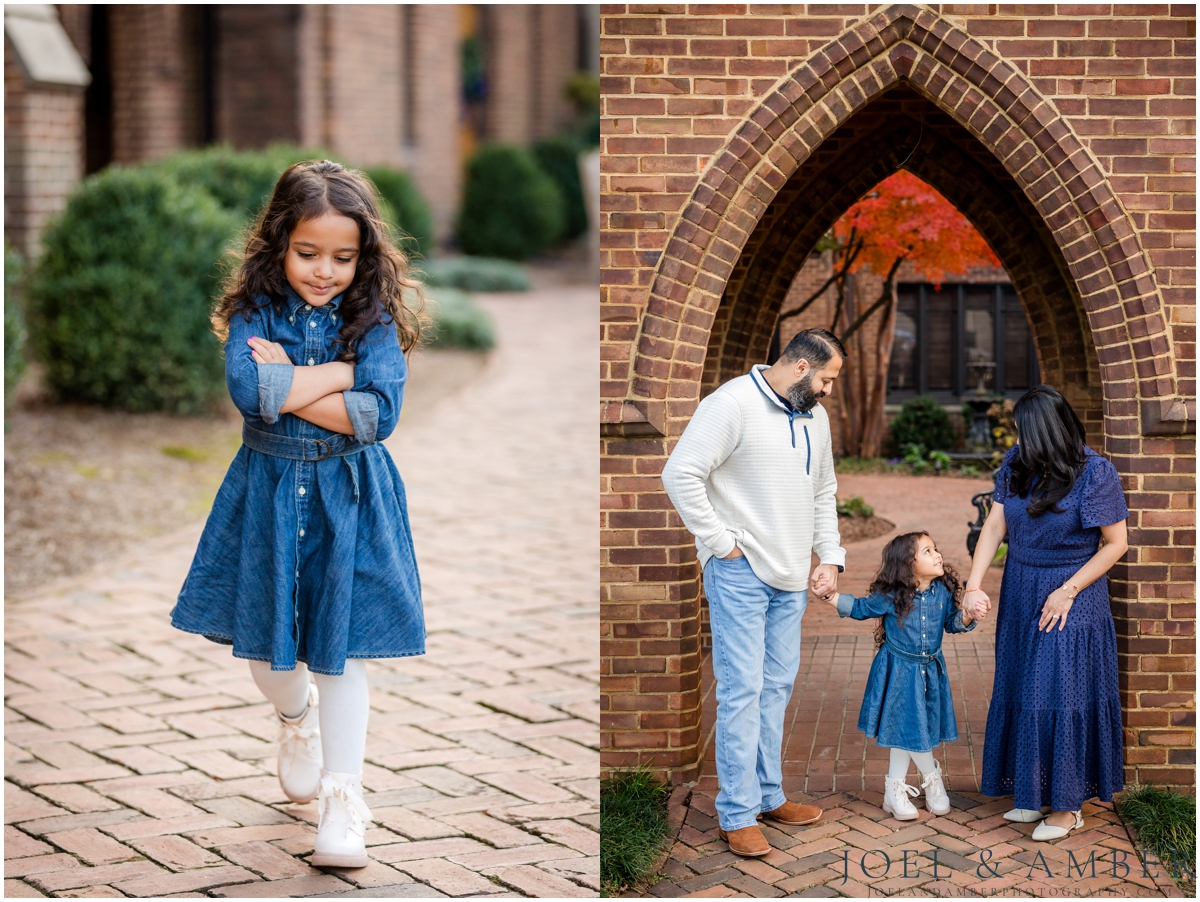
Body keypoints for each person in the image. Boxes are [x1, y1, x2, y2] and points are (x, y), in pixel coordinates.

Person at [171, 160, 425, 868]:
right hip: (269, 494)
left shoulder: (369, 318)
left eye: (342, 257)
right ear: (279, 243)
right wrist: (340, 378)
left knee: (339, 652)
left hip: (350, 496)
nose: (324, 271)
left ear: (363, 256)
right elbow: (250, 391)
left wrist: (293, 382)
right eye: (308, 252)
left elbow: (380, 415)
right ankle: (294, 717)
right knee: (266, 653)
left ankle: (343, 805)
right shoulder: (254, 312)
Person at [661, 328, 847, 858]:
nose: (830, 391)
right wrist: (721, 543)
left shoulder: (817, 417)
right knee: (742, 691)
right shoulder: (731, 404)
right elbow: (681, 473)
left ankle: (768, 796)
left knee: (775, 688)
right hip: (740, 573)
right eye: (828, 379)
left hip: (791, 577)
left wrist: (829, 556)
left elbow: (824, 489)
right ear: (802, 369)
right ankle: (736, 814)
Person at [964, 385, 1128, 842]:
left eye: (1023, 430)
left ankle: (1067, 806)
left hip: (1071, 594)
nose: (1018, 438)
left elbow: (1117, 543)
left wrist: (1068, 591)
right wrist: (973, 583)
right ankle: (1033, 792)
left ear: (1047, 431)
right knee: (1022, 685)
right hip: (1021, 588)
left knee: (1060, 691)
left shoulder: (1095, 473)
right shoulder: (1017, 463)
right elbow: (995, 525)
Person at [823, 532, 975, 820]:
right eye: (927, 551)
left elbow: (953, 623)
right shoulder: (892, 595)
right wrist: (831, 597)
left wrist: (968, 615)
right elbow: (860, 608)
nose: (937, 555)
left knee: (909, 728)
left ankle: (894, 792)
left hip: (930, 669)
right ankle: (931, 780)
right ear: (908, 563)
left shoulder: (941, 590)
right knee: (913, 728)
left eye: (935, 548)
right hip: (899, 671)